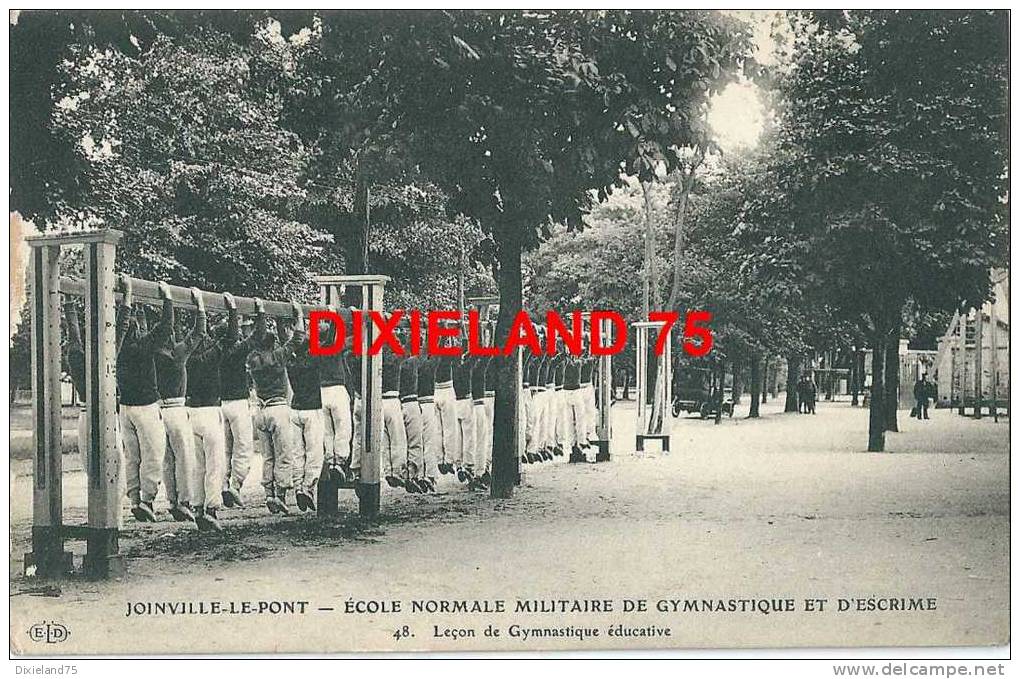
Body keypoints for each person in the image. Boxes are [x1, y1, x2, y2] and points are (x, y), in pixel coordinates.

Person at [116, 277, 170, 523]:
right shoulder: (146, 347)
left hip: (125, 408)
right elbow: (166, 326)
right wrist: (167, 297)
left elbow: (122, 323)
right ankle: (147, 500)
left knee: (133, 456)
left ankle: (136, 500)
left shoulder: (117, 346)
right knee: (153, 455)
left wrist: (129, 298)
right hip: (146, 407)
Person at [153, 287, 205, 523]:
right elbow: (199, 332)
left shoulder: (152, 353)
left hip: (158, 411)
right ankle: (184, 501)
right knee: (184, 459)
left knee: (167, 459)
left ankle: (172, 500)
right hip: (175, 409)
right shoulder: (178, 354)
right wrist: (200, 306)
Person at [246, 301, 304, 514]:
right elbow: (297, 339)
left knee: (268, 456)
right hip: (278, 408)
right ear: (273, 345)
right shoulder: (278, 357)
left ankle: (268, 493)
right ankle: (280, 494)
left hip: (260, 410)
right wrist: (298, 315)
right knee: (284, 455)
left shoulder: (253, 359)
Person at [184, 289, 227, 531]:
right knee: (214, 464)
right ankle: (211, 508)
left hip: (192, 412)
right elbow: (230, 336)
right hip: (210, 412)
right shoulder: (211, 356)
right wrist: (231, 311)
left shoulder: (188, 359)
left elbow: (197, 334)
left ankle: (198, 508)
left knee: (198, 465)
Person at [285, 308, 325, 512]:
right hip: (312, 410)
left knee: (297, 453)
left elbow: (293, 342)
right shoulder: (314, 361)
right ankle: (308, 487)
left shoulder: (290, 362)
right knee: (314, 453)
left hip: (295, 409)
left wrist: (297, 321)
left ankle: (299, 487)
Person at [218, 293, 256, 509]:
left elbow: (233, 334)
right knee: (243, 448)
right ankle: (236, 485)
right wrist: (234, 312)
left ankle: (224, 483)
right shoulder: (237, 351)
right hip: (238, 404)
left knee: (226, 449)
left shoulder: (216, 353)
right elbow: (252, 337)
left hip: (222, 405)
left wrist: (233, 315)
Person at [319, 308, 353, 484]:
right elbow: (336, 336)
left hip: (322, 392)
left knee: (327, 431)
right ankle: (339, 462)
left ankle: (330, 460)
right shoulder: (335, 346)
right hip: (337, 390)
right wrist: (334, 316)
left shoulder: (314, 348)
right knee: (343, 427)